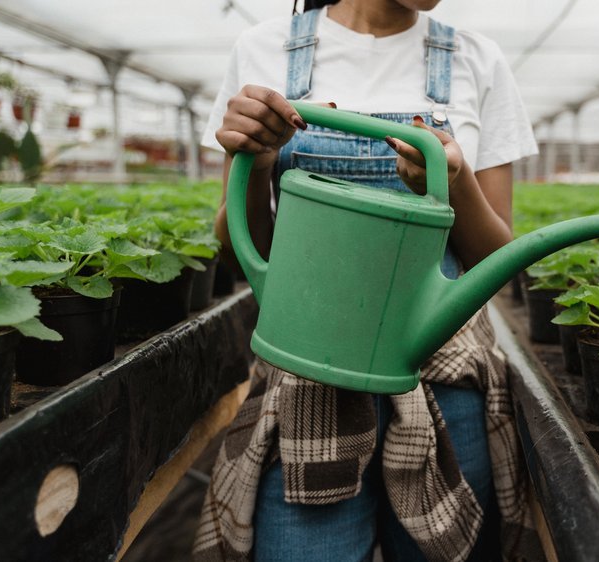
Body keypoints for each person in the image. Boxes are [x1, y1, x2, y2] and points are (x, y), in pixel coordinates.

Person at [193, 1, 540, 561]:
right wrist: (255, 164)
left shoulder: (478, 59)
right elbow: (243, 252)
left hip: (443, 380)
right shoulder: (265, 49)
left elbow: (495, 258)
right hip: (309, 381)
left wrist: (452, 183)